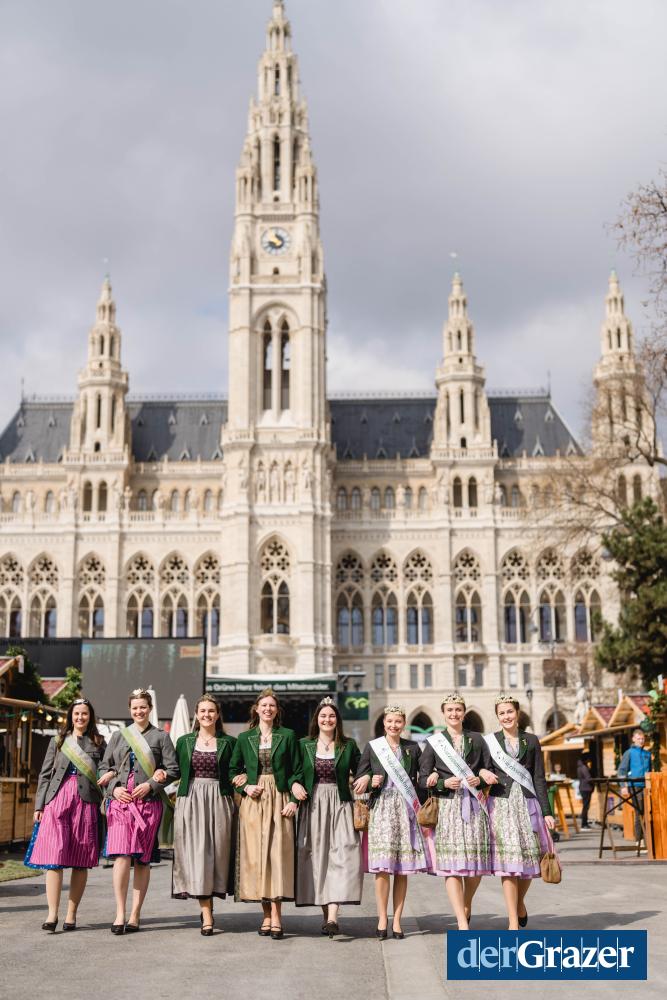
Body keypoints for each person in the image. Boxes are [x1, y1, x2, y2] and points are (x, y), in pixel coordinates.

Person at [99, 688, 179, 934]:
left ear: (150, 709)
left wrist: (152, 784)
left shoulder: (161, 737)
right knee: (122, 856)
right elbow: (103, 767)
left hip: (148, 804)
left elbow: (174, 769)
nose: (139, 711)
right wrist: (114, 789)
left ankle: (135, 914)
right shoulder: (118, 736)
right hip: (121, 803)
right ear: (130, 710)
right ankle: (119, 913)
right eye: (135, 708)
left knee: (142, 860)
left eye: (143, 707)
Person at [25, 698, 107, 932]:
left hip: (86, 803)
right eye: (76, 713)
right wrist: (39, 805)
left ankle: (71, 915)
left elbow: (106, 769)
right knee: (54, 858)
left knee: (80, 861)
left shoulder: (99, 742)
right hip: (57, 801)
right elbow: (45, 775)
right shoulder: (59, 740)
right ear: (71, 716)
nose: (80, 717)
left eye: (84, 714)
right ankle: (52, 914)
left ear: (90, 717)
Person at [229, 688, 305, 940]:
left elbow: (297, 771)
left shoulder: (288, 735)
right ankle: (266, 916)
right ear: (256, 709)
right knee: (258, 856)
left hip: (279, 797)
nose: (268, 709)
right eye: (264, 705)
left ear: (277, 710)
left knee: (277, 857)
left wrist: (294, 800)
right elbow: (232, 770)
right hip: (254, 800)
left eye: (272, 705)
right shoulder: (244, 738)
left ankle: (277, 916)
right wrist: (245, 787)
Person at [480, 694, 555, 930]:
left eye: (509, 712)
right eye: (501, 713)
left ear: (517, 713)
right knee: (509, 864)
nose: (506, 717)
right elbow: (481, 768)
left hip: (527, 804)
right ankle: (513, 920)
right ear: (497, 716)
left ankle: (519, 902)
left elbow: (539, 777)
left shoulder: (531, 740)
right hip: (500, 805)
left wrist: (547, 811)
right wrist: (483, 773)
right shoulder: (490, 741)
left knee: (529, 859)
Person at [418, 694, 492, 930]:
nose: (454, 714)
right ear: (443, 713)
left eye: (458, 709)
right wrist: (441, 782)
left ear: (464, 712)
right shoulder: (434, 742)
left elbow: (488, 769)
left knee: (475, 864)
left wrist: (481, 778)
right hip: (448, 808)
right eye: (449, 710)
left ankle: (466, 903)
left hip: (474, 806)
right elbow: (422, 779)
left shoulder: (477, 739)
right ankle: (461, 920)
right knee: (452, 865)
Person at [354, 705, 428, 940]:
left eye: (398, 721)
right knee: (383, 868)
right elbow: (359, 776)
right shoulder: (373, 747)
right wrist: (369, 779)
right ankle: (381, 918)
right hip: (382, 809)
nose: (393, 725)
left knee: (402, 869)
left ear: (403, 724)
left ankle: (397, 920)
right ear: (384, 723)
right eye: (390, 721)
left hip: (405, 810)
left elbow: (421, 779)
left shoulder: (412, 748)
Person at [295, 696, 363, 936]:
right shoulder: (304, 744)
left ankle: (333, 915)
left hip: (340, 802)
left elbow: (362, 768)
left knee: (342, 855)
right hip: (313, 804)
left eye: (331, 716)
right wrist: (294, 784)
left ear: (337, 720)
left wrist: (366, 777)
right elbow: (294, 772)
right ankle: (327, 916)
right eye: (323, 716)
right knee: (318, 857)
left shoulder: (348, 745)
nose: (327, 719)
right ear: (317, 719)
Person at [172, 695, 237, 936]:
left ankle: (210, 900)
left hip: (220, 799)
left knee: (218, 855)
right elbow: (173, 769)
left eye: (211, 711)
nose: (207, 715)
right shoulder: (184, 741)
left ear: (217, 715)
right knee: (197, 855)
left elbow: (236, 770)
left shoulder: (229, 742)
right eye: (203, 711)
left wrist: (241, 778)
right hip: (190, 799)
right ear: (196, 714)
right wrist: (156, 776)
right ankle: (207, 913)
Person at [617, 727, 652, 841]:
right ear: (633, 739)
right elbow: (622, 771)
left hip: (647, 787)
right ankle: (639, 840)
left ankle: (648, 841)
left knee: (649, 813)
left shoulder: (647, 754)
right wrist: (623, 786)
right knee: (639, 813)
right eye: (638, 739)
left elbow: (650, 771)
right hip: (635, 787)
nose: (641, 741)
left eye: (642, 739)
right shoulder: (629, 753)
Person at [576, 754, 594, 829]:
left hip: (583, 788)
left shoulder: (579, 767)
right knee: (586, 806)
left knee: (585, 806)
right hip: (586, 788)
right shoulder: (584, 767)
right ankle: (584, 824)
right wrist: (594, 781)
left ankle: (584, 823)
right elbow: (588, 778)